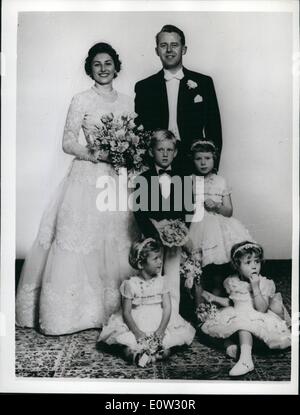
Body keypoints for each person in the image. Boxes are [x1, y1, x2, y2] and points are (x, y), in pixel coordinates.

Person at [16, 42, 139, 335]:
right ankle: (72, 314)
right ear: (89, 69)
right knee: (80, 237)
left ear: (116, 67)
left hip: (117, 177)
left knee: (116, 238)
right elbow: (68, 141)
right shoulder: (81, 100)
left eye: (108, 63)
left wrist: (125, 153)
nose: (103, 69)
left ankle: (112, 310)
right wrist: (93, 153)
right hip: (87, 175)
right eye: (97, 64)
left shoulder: (128, 101)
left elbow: (135, 137)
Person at [134, 24, 222, 172]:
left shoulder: (204, 83)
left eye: (174, 45)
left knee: (192, 196)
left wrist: (212, 168)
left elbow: (214, 129)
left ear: (184, 49)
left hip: (194, 161)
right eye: (163, 45)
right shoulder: (144, 87)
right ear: (157, 51)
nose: (169, 50)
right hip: (156, 163)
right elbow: (139, 131)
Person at [98, 238, 195, 366]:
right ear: (141, 264)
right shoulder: (130, 284)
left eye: (160, 257)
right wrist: (137, 333)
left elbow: (167, 308)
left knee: (168, 341)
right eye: (155, 258)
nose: (160, 262)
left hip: (159, 320)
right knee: (129, 342)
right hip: (137, 321)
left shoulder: (162, 281)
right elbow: (126, 312)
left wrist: (161, 330)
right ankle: (133, 354)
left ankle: (162, 352)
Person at [200, 241, 291, 377]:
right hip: (237, 314)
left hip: (257, 318)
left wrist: (255, 287)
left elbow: (262, 308)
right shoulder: (231, 281)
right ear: (237, 266)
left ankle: (246, 360)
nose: (254, 266)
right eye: (248, 263)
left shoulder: (265, 283)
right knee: (208, 328)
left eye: (257, 261)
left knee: (244, 326)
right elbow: (232, 302)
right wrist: (214, 298)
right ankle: (231, 347)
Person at [133, 129, 194, 312]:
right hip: (153, 236)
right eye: (160, 150)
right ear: (152, 152)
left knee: (173, 276)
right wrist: (154, 234)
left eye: (169, 150)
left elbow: (188, 209)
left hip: (175, 236)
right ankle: (151, 312)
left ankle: (173, 313)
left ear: (175, 152)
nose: (165, 154)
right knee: (153, 274)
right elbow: (140, 212)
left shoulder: (183, 178)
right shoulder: (142, 179)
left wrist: (180, 231)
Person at [187, 140, 254, 297]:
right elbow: (185, 209)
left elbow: (229, 211)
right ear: (193, 160)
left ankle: (218, 296)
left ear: (214, 158)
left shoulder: (221, 181)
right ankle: (200, 303)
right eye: (198, 159)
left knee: (219, 264)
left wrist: (216, 206)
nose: (203, 163)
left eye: (207, 158)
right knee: (198, 266)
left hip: (219, 226)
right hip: (198, 225)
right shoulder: (189, 180)